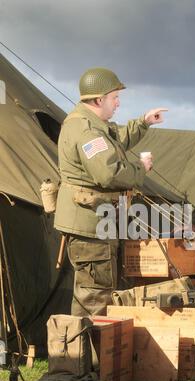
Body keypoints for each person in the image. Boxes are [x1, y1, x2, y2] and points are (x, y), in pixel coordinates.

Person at [54, 67, 167, 317]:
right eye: (114, 97)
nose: (118, 103)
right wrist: (140, 169)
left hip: (94, 224)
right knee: (95, 297)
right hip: (91, 226)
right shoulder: (87, 131)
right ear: (98, 99)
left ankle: (90, 354)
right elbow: (109, 173)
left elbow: (116, 140)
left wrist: (144, 122)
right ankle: (87, 356)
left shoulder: (93, 125)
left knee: (97, 293)